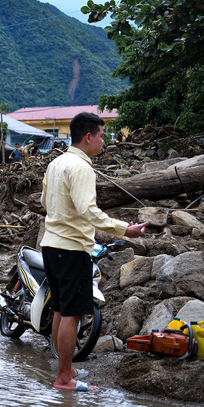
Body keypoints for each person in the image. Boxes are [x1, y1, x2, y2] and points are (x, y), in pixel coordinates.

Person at [40, 112, 148, 392]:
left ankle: (66, 368)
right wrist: (126, 229)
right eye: (102, 136)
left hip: (51, 244)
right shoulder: (82, 168)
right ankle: (64, 378)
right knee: (72, 313)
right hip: (72, 248)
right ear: (88, 137)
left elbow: (44, 201)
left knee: (62, 310)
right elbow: (89, 211)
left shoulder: (56, 163)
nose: (104, 141)